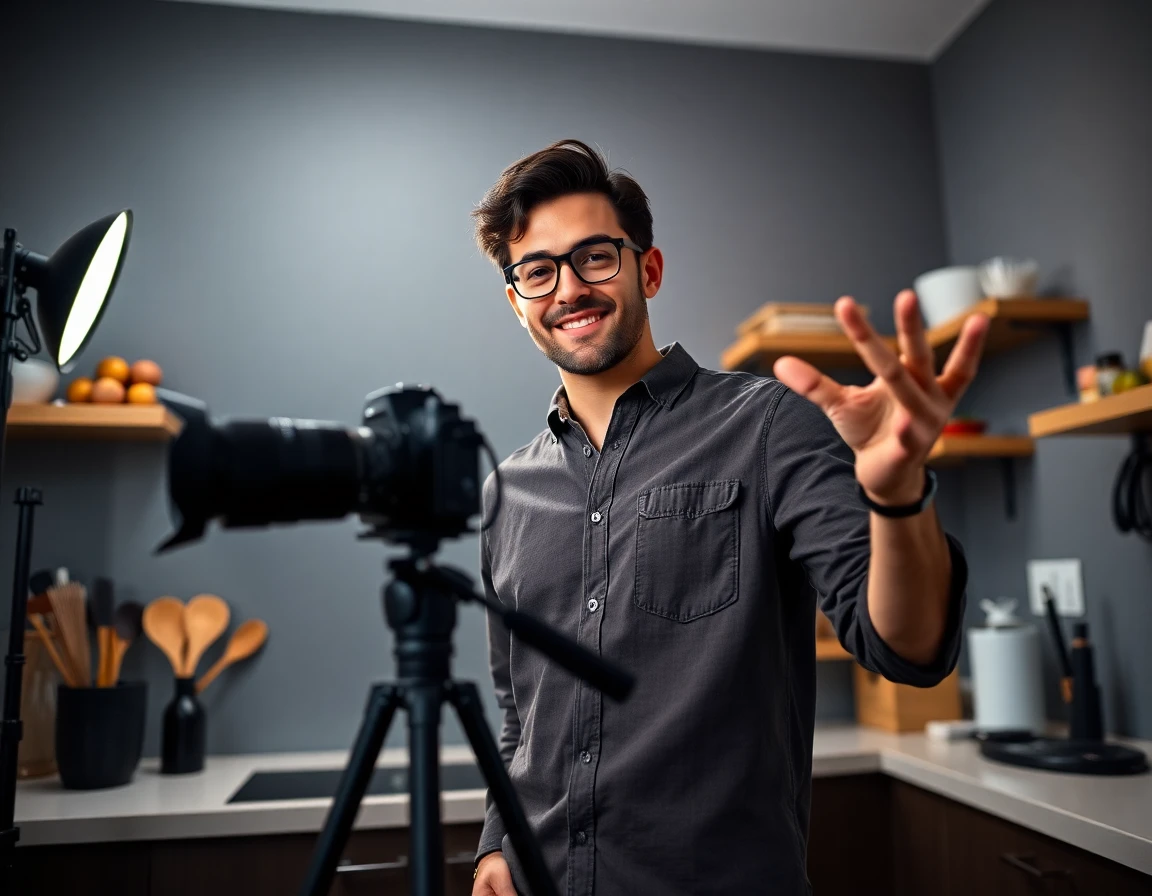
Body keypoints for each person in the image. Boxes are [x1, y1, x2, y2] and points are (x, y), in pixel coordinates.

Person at [468, 139, 988, 896]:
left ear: (648, 269)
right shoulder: (506, 492)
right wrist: (493, 845)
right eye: (538, 271)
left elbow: (906, 649)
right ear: (518, 303)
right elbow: (519, 711)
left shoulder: (769, 425)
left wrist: (898, 494)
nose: (568, 288)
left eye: (595, 257)